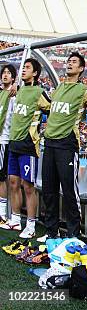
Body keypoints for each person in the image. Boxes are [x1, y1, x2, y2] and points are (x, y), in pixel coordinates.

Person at [39, 52, 87, 241]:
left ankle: (73, 233)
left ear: (81, 69)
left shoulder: (84, 90)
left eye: (74, 62)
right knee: (49, 190)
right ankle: (51, 232)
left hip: (67, 144)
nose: (69, 64)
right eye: (68, 61)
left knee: (69, 191)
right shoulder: (58, 88)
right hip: (50, 142)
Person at [2, 60, 50, 239]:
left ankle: (30, 224)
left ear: (36, 73)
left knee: (28, 186)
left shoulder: (40, 92)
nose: (24, 70)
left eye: (28, 68)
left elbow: (52, 109)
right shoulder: (19, 91)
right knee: (13, 183)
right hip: (14, 143)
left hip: (28, 146)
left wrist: (39, 131)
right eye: (24, 68)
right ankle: (15, 218)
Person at [0, 64, 17, 225]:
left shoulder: (14, 94)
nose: (5, 75)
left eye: (8, 73)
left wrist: (17, 86)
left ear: (13, 77)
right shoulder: (1, 93)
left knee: (2, 177)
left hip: (4, 140)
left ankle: (3, 213)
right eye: (3, 73)